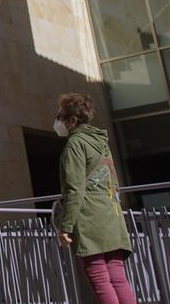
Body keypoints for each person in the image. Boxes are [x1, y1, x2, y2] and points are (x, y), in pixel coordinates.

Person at [55, 92, 136, 304]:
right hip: (111, 215)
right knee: (118, 277)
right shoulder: (102, 143)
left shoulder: (75, 145)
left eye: (61, 117)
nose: (58, 122)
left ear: (72, 121)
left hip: (90, 219)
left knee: (99, 277)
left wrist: (66, 227)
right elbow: (114, 183)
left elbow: (74, 189)